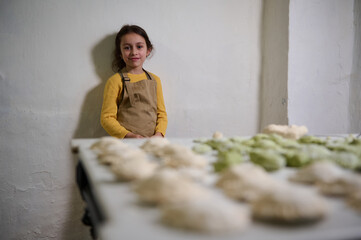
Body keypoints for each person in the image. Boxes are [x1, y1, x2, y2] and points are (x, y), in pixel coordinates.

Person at [100, 25, 167, 138]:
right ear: (120, 53)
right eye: (127, 48)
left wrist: (159, 134)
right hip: (126, 144)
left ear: (148, 50)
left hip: (152, 142)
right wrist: (129, 136)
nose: (134, 52)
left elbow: (161, 114)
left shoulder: (155, 80)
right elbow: (107, 118)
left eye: (139, 46)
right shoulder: (115, 81)